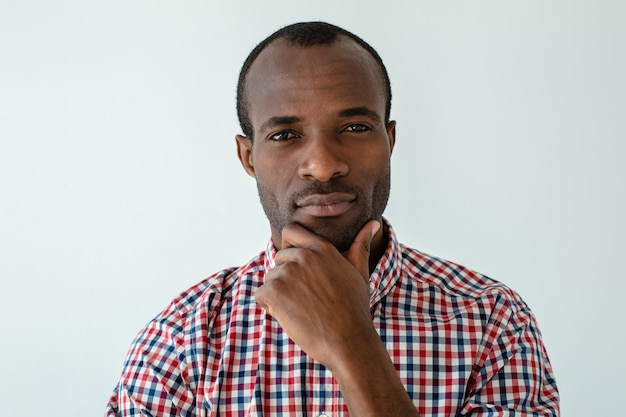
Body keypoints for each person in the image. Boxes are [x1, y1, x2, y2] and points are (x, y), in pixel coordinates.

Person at [106, 21, 559, 416]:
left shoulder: (493, 322)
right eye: (285, 134)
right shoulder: (181, 340)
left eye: (356, 127)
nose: (322, 165)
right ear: (248, 157)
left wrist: (354, 346)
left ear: (390, 139)